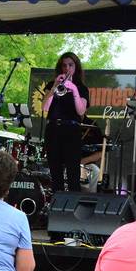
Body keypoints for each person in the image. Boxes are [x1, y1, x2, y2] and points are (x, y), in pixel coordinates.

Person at [42, 52, 90, 192]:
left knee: (73, 174)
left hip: (71, 131)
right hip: (53, 130)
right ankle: (56, 205)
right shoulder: (53, 85)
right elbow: (45, 107)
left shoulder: (81, 88)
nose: (67, 68)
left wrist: (74, 89)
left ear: (76, 67)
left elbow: (81, 111)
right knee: (55, 174)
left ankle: (71, 208)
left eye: (70, 65)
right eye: (64, 65)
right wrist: (54, 86)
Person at [80, 116, 104, 193]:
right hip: (66, 162)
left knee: (95, 171)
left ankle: (90, 198)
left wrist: (83, 161)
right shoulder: (65, 123)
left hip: (85, 164)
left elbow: (100, 153)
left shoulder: (92, 125)